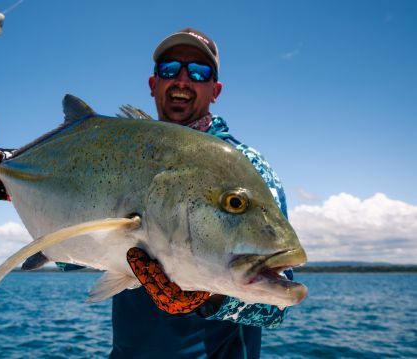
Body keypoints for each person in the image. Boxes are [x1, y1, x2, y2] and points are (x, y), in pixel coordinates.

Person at [110, 28, 293, 358]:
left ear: (215, 90)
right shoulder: (121, 159)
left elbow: (276, 308)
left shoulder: (244, 166)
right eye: (170, 69)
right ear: (153, 85)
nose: (182, 80)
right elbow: (78, 256)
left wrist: (210, 296)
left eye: (198, 72)